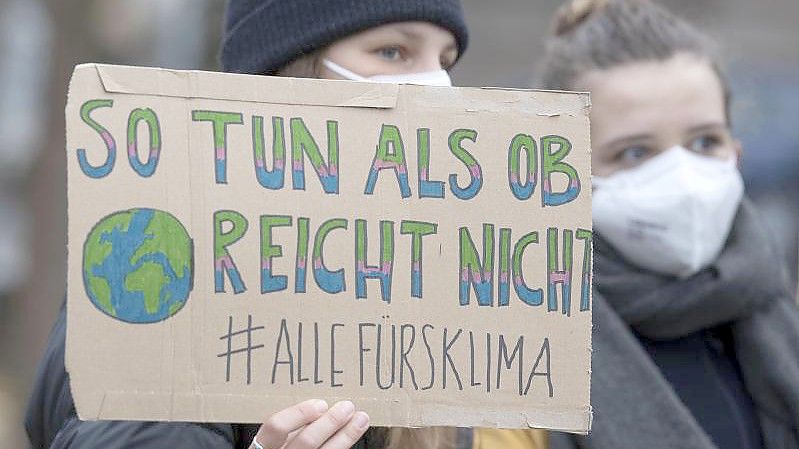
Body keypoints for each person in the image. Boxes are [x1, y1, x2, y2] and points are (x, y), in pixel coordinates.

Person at [26, 1, 548, 448]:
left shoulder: (434, 291)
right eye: (393, 51)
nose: (436, 84)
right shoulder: (158, 269)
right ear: (286, 74)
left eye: (446, 60)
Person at [537, 0, 799, 448]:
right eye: (634, 152)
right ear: (567, 174)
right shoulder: (524, 349)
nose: (683, 176)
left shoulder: (771, 299)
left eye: (704, 141)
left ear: (735, 151)